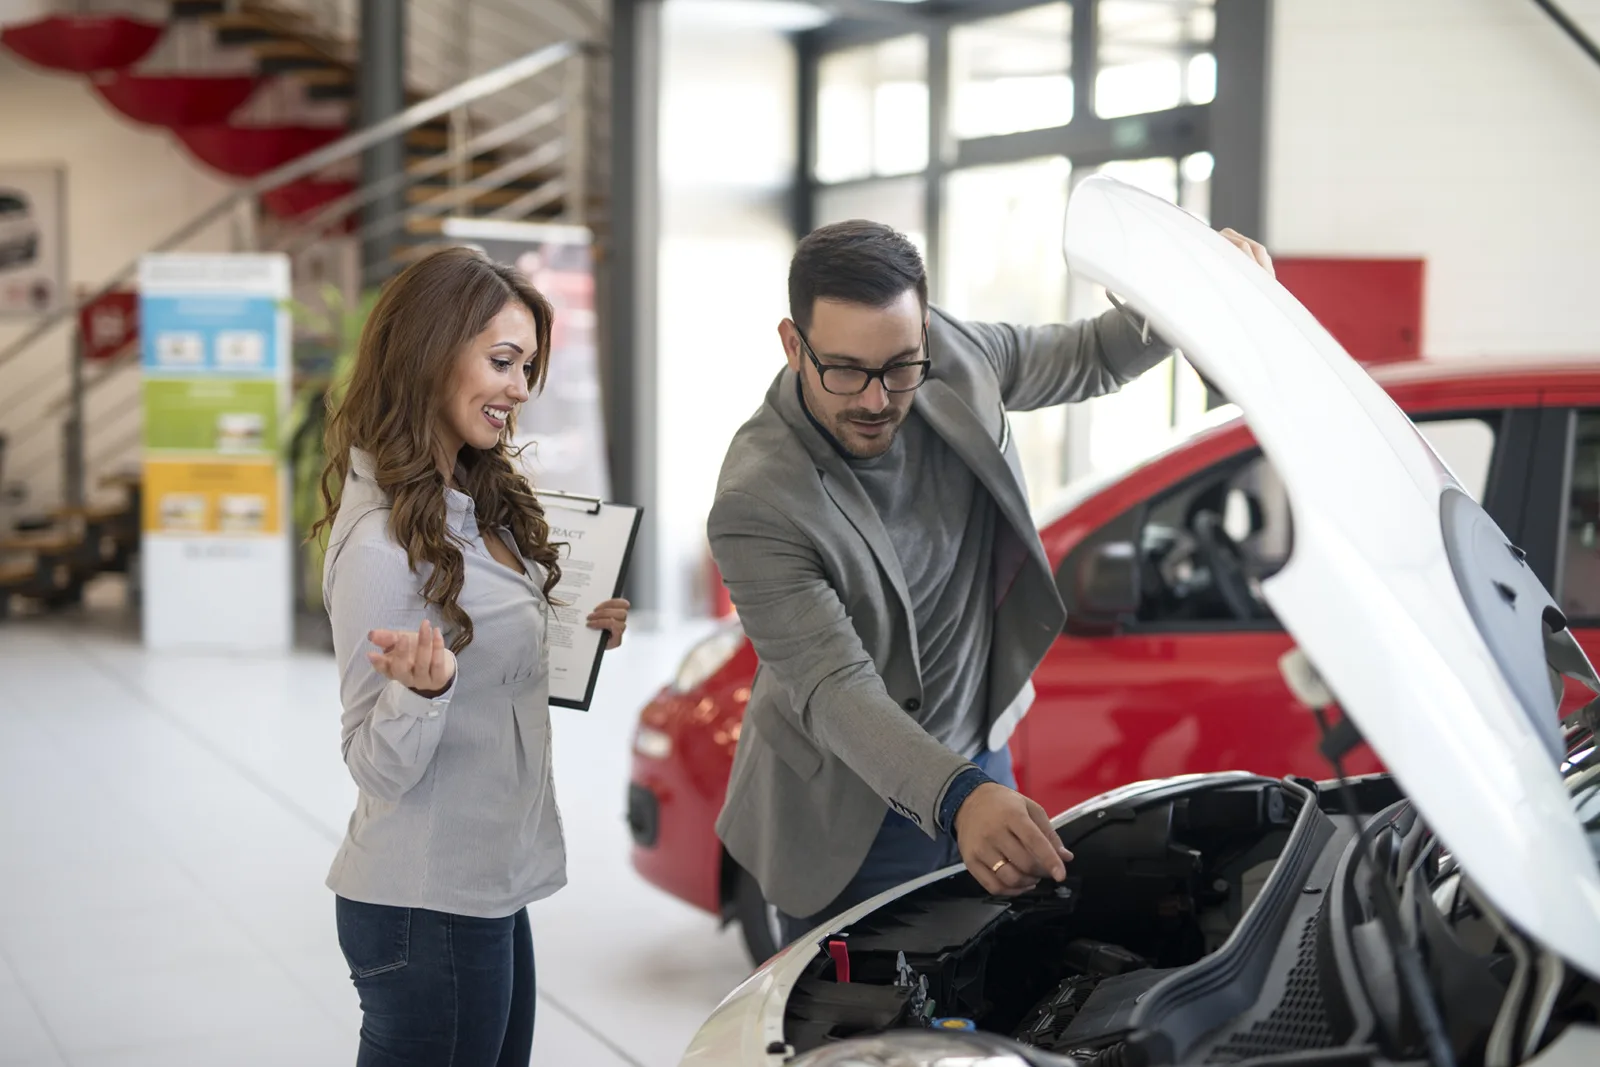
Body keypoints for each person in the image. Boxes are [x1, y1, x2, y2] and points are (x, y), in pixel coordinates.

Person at [708, 218, 1274, 944]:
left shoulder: (952, 354)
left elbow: (1094, 355)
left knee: (984, 980)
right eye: (844, 370)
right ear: (794, 345)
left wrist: (1189, 285)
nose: (876, 400)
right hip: (850, 809)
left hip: (977, 753)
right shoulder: (757, 499)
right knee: (868, 1013)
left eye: (900, 366)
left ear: (924, 333)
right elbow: (834, 686)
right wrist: (960, 797)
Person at [312, 246, 630, 1067]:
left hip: (485, 881)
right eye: (502, 361)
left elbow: (489, 650)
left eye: (527, 367)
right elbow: (372, 763)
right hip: (425, 902)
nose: (520, 388)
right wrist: (421, 694)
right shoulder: (381, 547)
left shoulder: (471, 500)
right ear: (429, 354)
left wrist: (572, 629)